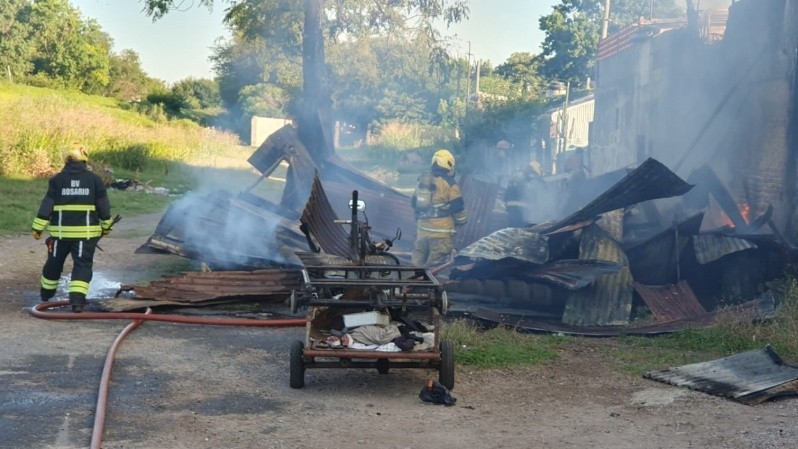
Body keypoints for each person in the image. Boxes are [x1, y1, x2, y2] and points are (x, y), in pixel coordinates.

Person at [31, 144, 113, 313]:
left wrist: (37, 228)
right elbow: (103, 206)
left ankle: (45, 296)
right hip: (86, 235)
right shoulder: (95, 180)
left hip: (60, 236)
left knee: (53, 264)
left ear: (67, 159)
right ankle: (77, 303)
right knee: (82, 266)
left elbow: (47, 204)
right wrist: (106, 226)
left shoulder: (57, 180)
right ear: (84, 158)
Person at [410, 149, 467, 266]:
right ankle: (427, 284)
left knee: (416, 265)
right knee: (434, 269)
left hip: (422, 232)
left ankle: (411, 283)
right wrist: (462, 221)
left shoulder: (422, 180)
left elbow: (414, 203)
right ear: (448, 164)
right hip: (441, 234)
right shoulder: (450, 184)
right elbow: (458, 207)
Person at [504, 161, 544, 228]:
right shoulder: (516, 183)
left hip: (522, 218)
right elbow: (508, 202)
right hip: (517, 218)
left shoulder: (529, 186)